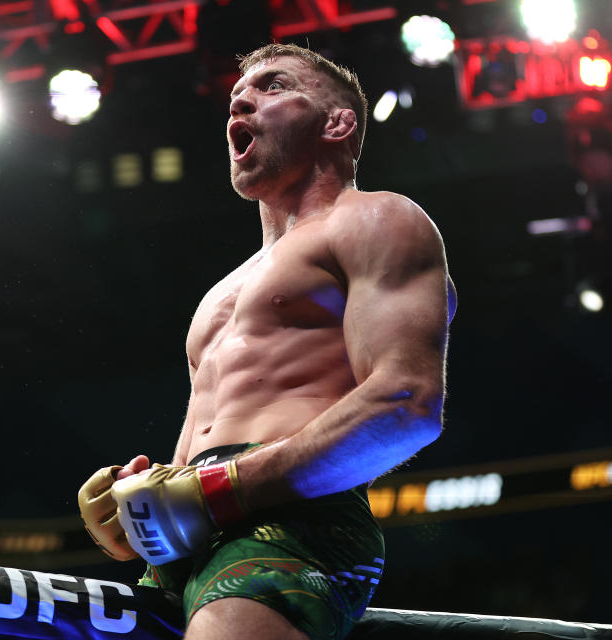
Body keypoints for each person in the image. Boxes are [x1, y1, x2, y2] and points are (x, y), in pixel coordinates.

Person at [79, 43, 456, 640]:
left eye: (272, 86)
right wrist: (138, 512)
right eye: (236, 96)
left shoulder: (375, 219)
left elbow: (406, 403)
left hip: (292, 519)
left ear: (337, 123)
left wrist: (217, 491)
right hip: (191, 539)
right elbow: (196, 457)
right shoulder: (220, 293)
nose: (243, 100)